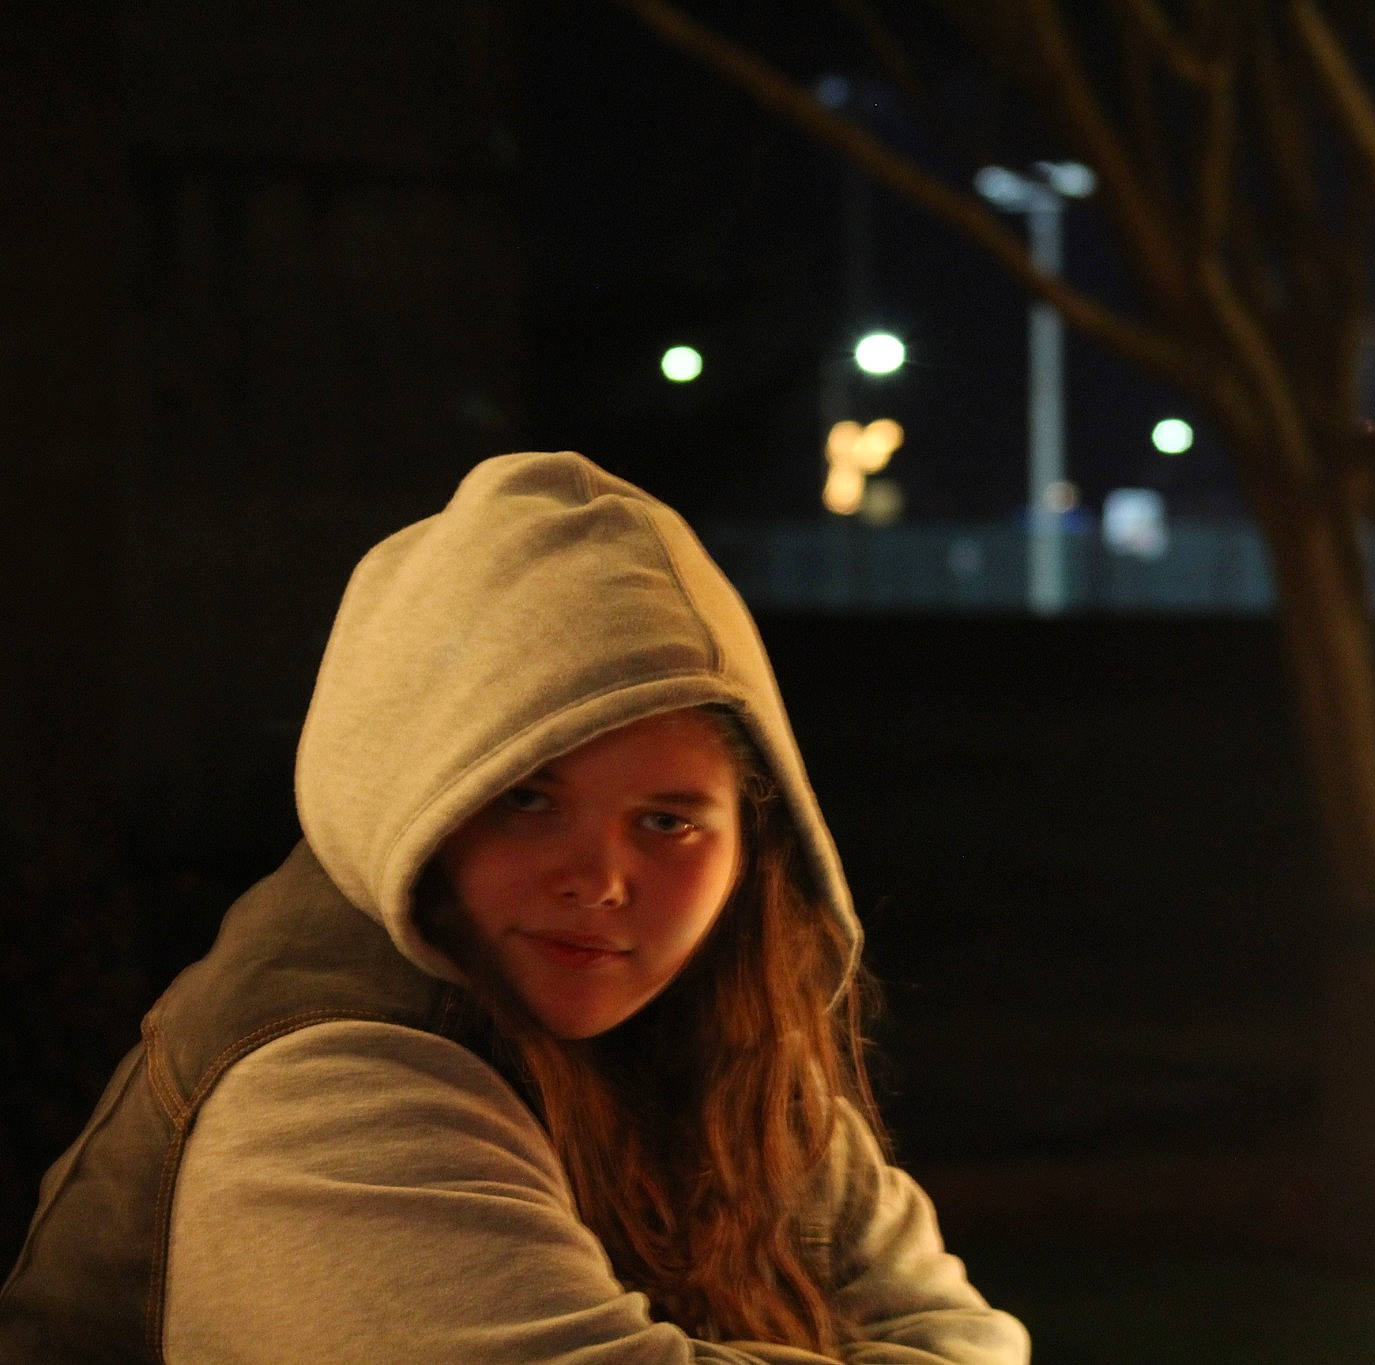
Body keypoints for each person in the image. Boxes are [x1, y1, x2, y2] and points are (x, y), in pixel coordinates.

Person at [0, 452, 1030, 1364]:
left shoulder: (722, 1043)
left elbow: (961, 1332)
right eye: (527, 800)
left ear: (751, 849)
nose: (601, 880)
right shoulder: (323, 1086)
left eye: (668, 821)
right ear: (413, 795)